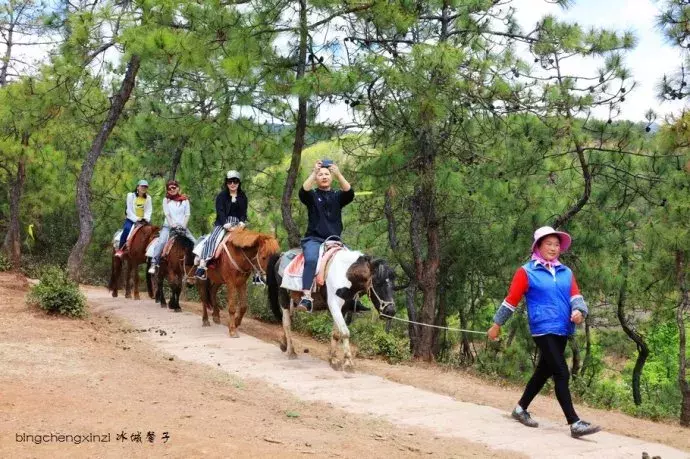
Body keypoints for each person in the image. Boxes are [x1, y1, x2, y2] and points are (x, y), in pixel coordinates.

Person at [487, 226, 601, 438]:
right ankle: (575, 423)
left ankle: (520, 409)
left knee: (544, 371)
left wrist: (578, 312)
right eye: (548, 244)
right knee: (561, 372)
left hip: (562, 328)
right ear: (538, 246)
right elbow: (511, 301)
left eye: (557, 244)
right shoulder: (526, 271)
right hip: (543, 328)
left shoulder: (566, 272)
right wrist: (497, 324)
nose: (553, 248)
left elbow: (576, 297)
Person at [296, 159, 354, 312]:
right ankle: (306, 296)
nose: (323, 176)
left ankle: (352, 299)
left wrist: (339, 174)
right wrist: (314, 172)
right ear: (316, 178)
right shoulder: (312, 195)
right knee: (312, 259)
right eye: (320, 174)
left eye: (327, 174)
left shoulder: (337, 196)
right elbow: (303, 191)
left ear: (331, 177)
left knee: (353, 261)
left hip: (335, 241)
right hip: (314, 239)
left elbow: (349, 192)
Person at [194, 170, 247, 280]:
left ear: (239, 183)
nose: (232, 184)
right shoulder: (221, 196)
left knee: (249, 243)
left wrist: (242, 222)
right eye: (229, 181)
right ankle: (202, 265)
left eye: (235, 181)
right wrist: (225, 224)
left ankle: (256, 272)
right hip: (223, 223)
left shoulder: (243, 197)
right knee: (214, 238)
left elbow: (243, 213)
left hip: (238, 224)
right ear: (226, 183)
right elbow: (220, 211)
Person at [148, 180, 197, 274]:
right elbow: (167, 214)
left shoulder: (185, 200)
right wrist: (172, 225)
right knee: (161, 242)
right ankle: (154, 262)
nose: (171, 190)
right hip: (169, 226)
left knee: (195, 242)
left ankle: (197, 264)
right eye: (169, 188)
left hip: (182, 227)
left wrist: (183, 225)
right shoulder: (166, 200)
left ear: (178, 188)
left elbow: (187, 215)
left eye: (174, 187)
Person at [115, 179, 152, 258]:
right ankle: (121, 249)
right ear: (138, 187)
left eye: (145, 187)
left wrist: (145, 218)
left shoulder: (148, 198)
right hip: (132, 219)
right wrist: (136, 219)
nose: (144, 188)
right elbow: (129, 210)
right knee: (127, 229)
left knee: (152, 233)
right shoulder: (130, 195)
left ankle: (150, 254)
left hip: (144, 220)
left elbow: (149, 210)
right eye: (142, 186)